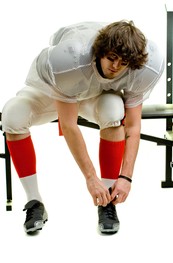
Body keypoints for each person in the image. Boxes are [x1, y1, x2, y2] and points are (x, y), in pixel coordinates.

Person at [1, 20, 164, 234]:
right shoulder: (69, 59)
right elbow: (68, 125)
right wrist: (90, 178)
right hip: (55, 88)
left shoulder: (145, 67)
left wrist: (126, 177)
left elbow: (133, 126)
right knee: (13, 115)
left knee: (114, 111)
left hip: (96, 94)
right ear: (99, 52)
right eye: (111, 58)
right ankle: (34, 202)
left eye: (123, 62)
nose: (115, 67)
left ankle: (107, 200)